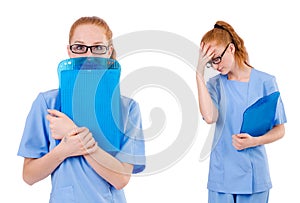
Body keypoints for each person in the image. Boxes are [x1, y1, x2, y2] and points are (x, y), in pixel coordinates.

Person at [17, 16, 146, 203]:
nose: (88, 55)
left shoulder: (128, 108)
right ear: (69, 51)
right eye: (79, 47)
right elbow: (29, 176)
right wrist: (64, 150)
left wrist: (73, 134)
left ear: (109, 52)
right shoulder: (48, 103)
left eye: (98, 47)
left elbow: (121, 179)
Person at [196, 21, 286, 203]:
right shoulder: (215, 85)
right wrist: (198, 74)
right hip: (222, 177)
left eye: (217, 58)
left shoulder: (265, 82)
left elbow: (280, 129)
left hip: (254, 178)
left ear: (230, 49)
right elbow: (209, 117)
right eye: (210, 62)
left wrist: (255, 141)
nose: (215, 66)